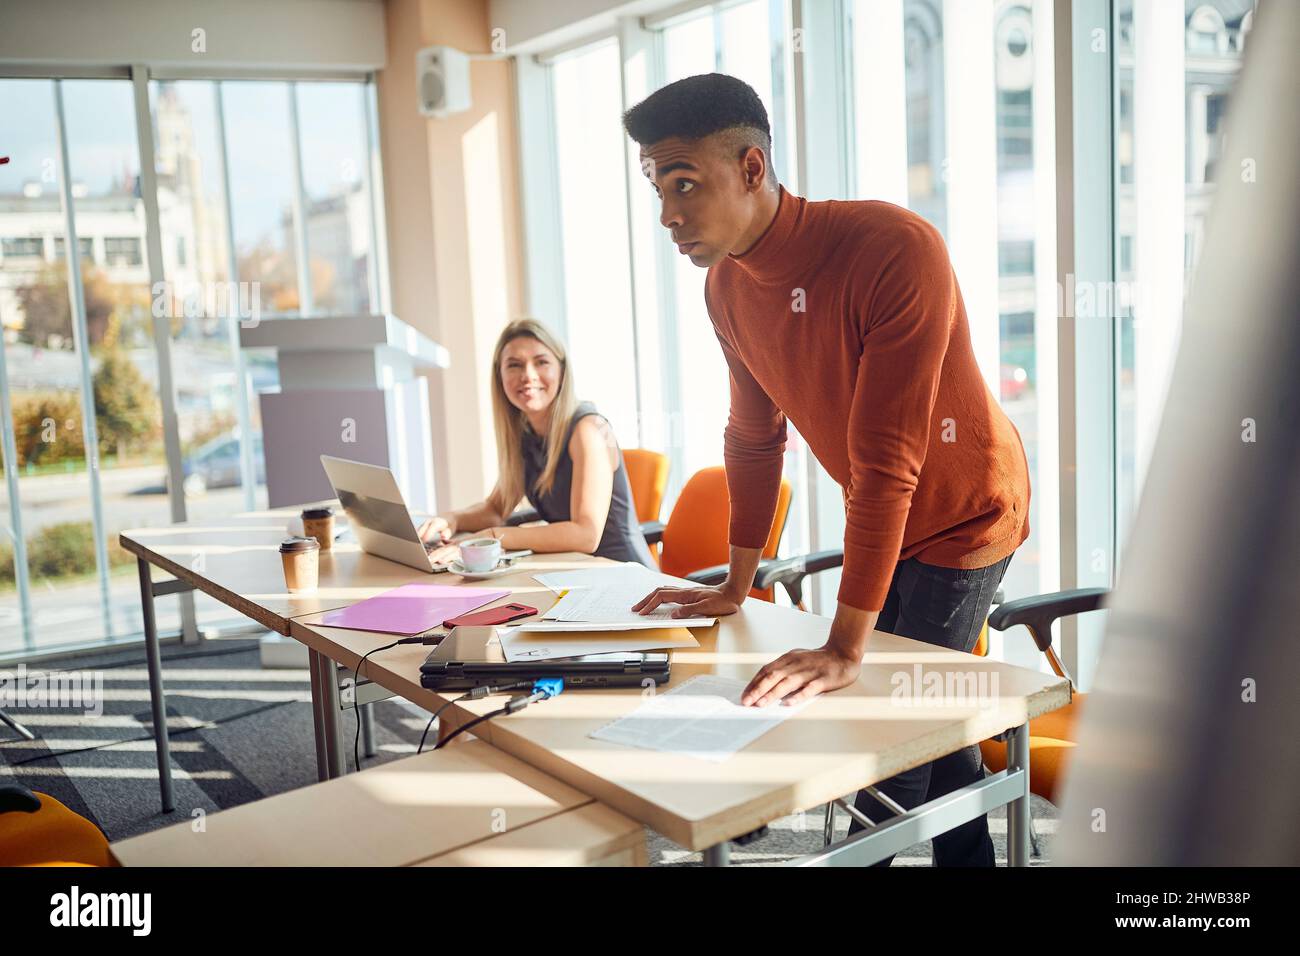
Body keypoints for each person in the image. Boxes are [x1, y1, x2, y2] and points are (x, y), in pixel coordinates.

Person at [623, 73, 1031, 867]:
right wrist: (736, 585)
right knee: (935, 730)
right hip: (891, 512)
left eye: (683, 184)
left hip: (967, 512)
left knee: (889, 734)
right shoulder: (725, 289)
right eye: (656, 188)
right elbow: (751, 437)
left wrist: (848, 648)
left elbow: (887, 464)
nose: (669, 214)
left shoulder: (894, 249)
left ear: (750, 168)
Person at [420, 318, 654, 569]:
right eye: (514, 365)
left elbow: (586, 535)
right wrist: (452, 519)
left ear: (561, 371)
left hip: (624, 576)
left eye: (541, 362)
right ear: (499, 376)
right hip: (574, 569)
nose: (528, 376)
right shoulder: (526, 434)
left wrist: (492, 537)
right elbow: (496, 509)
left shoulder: (588, 429)